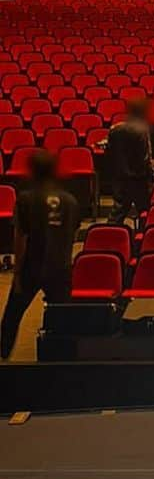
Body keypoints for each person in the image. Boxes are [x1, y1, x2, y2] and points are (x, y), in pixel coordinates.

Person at [1, 149, 79, 360]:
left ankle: (4, 354)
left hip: (32, 266)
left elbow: (21, 238)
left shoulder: (26, 199)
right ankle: (65, 359)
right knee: (62, 317)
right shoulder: (70, 200)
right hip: (60, 267)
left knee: (12, 316)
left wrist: (17, 273)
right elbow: (72, 234)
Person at [102, 98, 154, 224]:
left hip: (120, 177)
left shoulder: (115, 129)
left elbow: (109, 153)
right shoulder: (142, 130)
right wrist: (152, 175)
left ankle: (110, 238)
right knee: (145, 213)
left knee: (117, 213)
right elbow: (146, 156)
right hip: (139, 178)